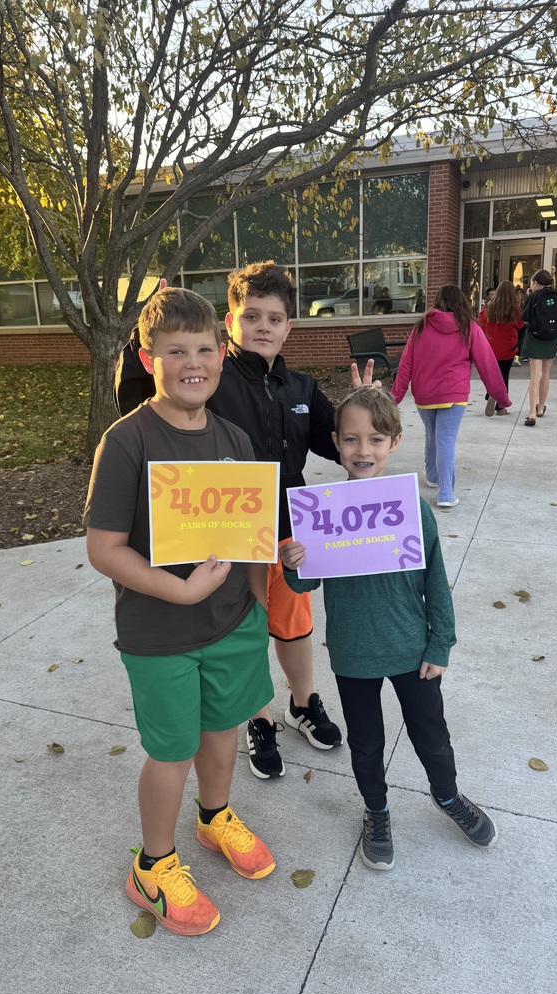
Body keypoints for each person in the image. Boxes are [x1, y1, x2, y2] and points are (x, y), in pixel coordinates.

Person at [85, 287, 275, 936]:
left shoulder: (234, 439)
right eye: (175, 352)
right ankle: (153, 866)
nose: (193, 363)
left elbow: (249, 534)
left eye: (204, 349)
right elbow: (104, 549)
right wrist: (182, 592)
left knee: (222, 733)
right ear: (149, 359)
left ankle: (214, 817)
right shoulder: (127, 441)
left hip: (232, 622)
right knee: (172, 751)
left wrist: (261, 597)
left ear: (222, 352)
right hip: (160, 634)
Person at [279, 386, 497, 870]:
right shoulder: (320, 512)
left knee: (431, 735)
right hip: (354, 651)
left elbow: (435, 579)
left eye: (376, 439)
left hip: (411, 648)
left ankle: (447, 796)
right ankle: (375, 811)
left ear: (394, 443)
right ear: (335, 442)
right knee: (366, 742)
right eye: (351, 439)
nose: (363, 450)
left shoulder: (412, 508)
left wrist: (440, 643)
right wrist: (293, 562)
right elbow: (305, 582)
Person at [205, 262, 344, 780]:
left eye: (275, 318)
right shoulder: (212, 381)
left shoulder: (301, 388)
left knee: (294, 622)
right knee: (245, 627)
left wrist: (367, 408)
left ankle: (302, 703)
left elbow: (342, 442)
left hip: (291, 530)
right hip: (231, 532)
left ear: (289, 327)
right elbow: (154, 405)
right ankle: (258, 717)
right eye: (252, 315)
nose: (263, 326)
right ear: (231, 321)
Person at [391, 284, 511, 507]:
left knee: (432, 434)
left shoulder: (421, 327)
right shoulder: (469, 327)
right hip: (454, 394)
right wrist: (500, 397)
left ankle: (433, 476)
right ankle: (446, 493)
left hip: (424, 395)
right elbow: (488, 364)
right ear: (461, 301)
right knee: (445, 439)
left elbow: (406, 364)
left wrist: (393, 399)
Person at [520, 269, 557, 426]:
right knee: (545, 374)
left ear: (536, 283)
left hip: (535, 338)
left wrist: (529, 297)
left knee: (535, 375)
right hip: (552, 339)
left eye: (531, 282)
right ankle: (541, 408)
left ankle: (531, 413)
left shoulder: (533, 297)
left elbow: (524, 320)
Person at [478, 280, 524, 416]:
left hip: (491, 346)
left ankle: (491, 393)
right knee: (504, 375)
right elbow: (520, 324)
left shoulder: (489, 307)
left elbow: (481, 323)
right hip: (508, 347)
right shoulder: (514, 308)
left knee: (492, 373)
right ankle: (500, 406)